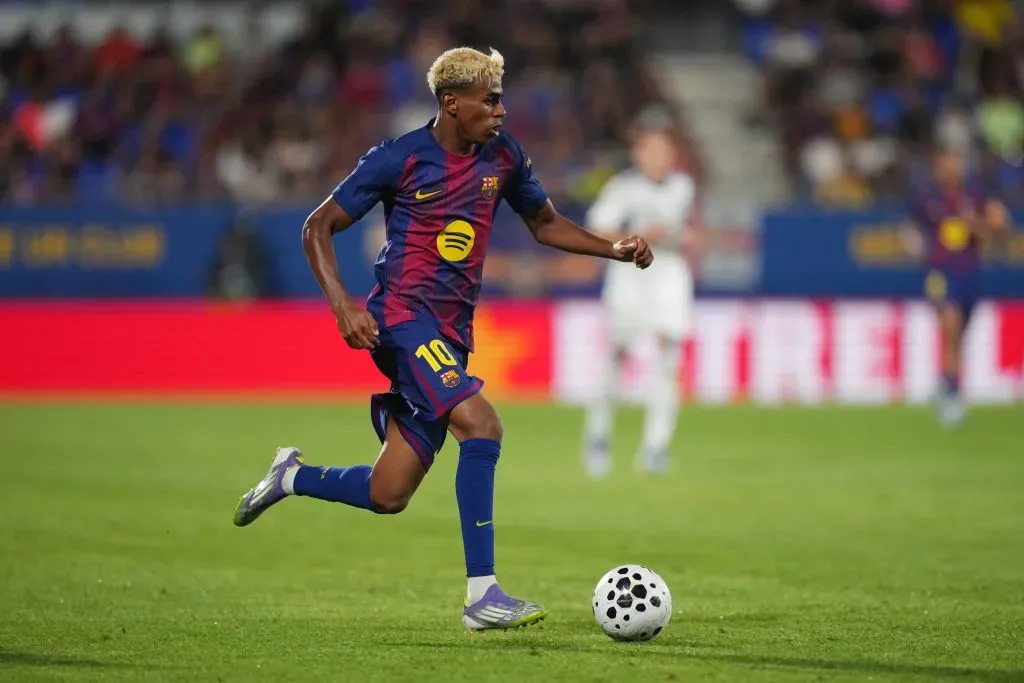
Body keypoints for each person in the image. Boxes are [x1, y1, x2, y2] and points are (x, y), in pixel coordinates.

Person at [231, 47, 653, 630]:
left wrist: (613, 249)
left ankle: (290, 476)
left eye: (501, 100)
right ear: (452, 103)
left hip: (451, 334)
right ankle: (483, 595)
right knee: (482, 424)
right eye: (491, 100)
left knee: (389, 492)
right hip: (401, 320)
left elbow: (544, 223)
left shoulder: (504, 156)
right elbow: (317, 225)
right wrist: (343, 305)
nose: (501, 111)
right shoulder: (399, 158)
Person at [581, 126, 698, 477]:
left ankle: (656, 447)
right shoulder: (622, 188)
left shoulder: (683, 186)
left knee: (668, 357)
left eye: (665, 151)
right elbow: (599, 232)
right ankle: (598, 436)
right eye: (652, 151)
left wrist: (687, 237)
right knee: (617, 355)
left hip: (669, 274)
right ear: (639, 155)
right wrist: (641, 236)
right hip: (630, 275)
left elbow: (686, 228)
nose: (659, 158)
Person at [905, 145, 1008, 426]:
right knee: (950, 324)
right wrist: (915, 246)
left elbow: (999, 225)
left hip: (968, 271)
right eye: (948, 162)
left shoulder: (976, 196)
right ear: (938, 167)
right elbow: (912, 228)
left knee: (960, 333)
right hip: (940, 272)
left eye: (957, 162)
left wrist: (976, 224)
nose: (953, 168)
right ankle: (952, 397)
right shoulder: (928, 197)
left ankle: (946, 381)